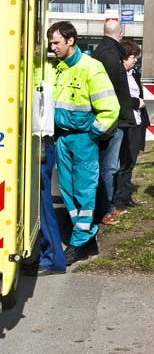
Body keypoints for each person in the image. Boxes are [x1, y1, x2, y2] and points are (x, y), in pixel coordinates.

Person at [47, 21, 120, 265]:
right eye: (51, 42)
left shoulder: (91, 68)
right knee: (68, 190)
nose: (52, 47)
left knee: (84, 192)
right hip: (63, 138)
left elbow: (110, 109)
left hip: (82, 140)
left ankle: (79, 242)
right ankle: (87, 240)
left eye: (56, 42)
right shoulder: (58, 68)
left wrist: (92, 135)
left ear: (71, 41)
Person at [92, 19, 134, 226]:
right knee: (109, 166)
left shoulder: (101, 52)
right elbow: (116, 91)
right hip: (112, 119)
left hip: (106, 117)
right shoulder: (111, 56)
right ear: (121, 33)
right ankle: (105, 209)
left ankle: (105, 207)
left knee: (106, 165)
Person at [29, 67, 66, 275]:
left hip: (40, 141)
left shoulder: (41, 71)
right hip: (40, 140)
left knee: (42, 204)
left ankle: (53, 258)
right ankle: (43, 255)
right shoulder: (44, 68)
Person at [112, 39, 150, 211]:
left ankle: (126, 196)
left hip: (137, 122)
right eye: (133, 56)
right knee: (122, 162)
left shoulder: (135, 74)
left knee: (131, 161)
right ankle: (117, 198)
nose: (135, 60)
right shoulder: (117, 76)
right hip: (125, 123)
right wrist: (136, 102)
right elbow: (121, 98)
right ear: (124, 58)